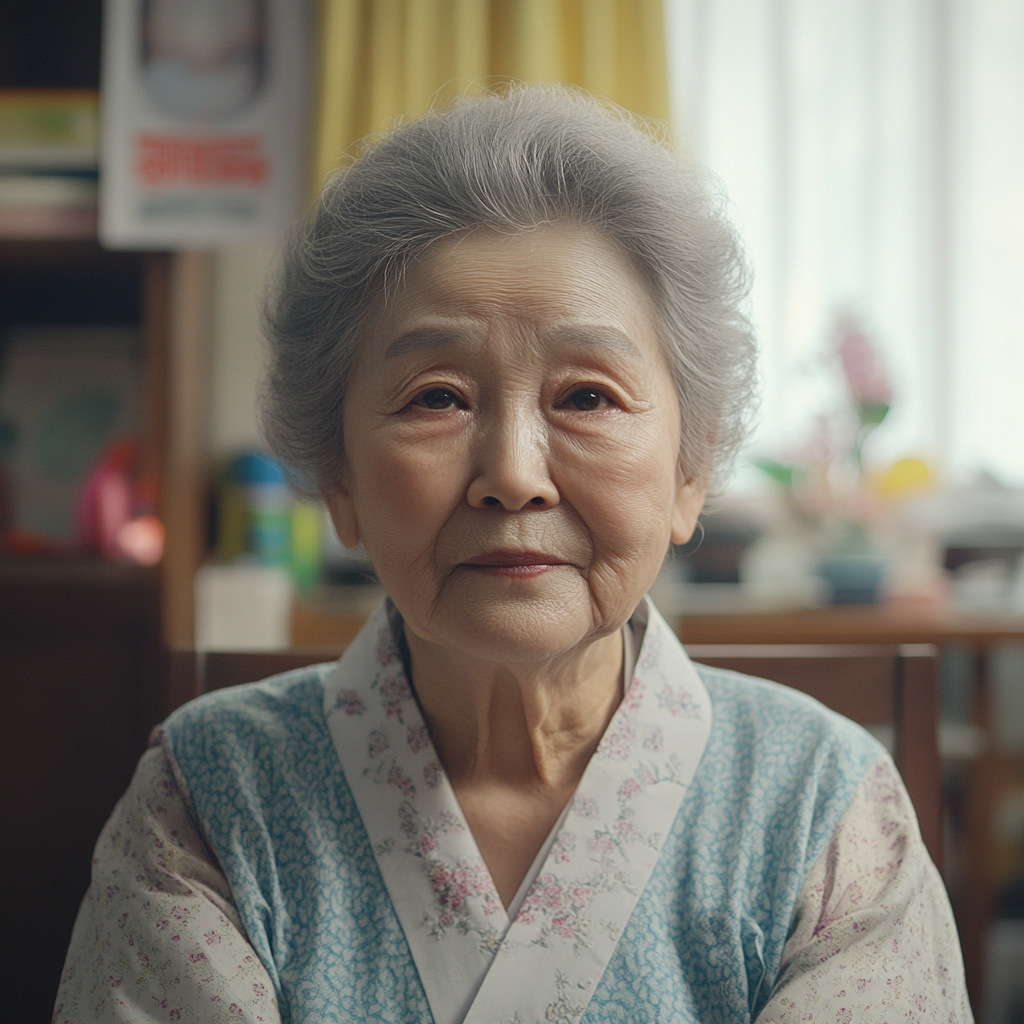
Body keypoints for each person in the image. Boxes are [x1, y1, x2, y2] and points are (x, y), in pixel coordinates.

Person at [54, 85, 970, 1024]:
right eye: (437, 397)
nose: (512, 476)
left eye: (587, 397)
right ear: (337, 479)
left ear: (690, 473)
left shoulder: (826, 815)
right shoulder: (205, 807)